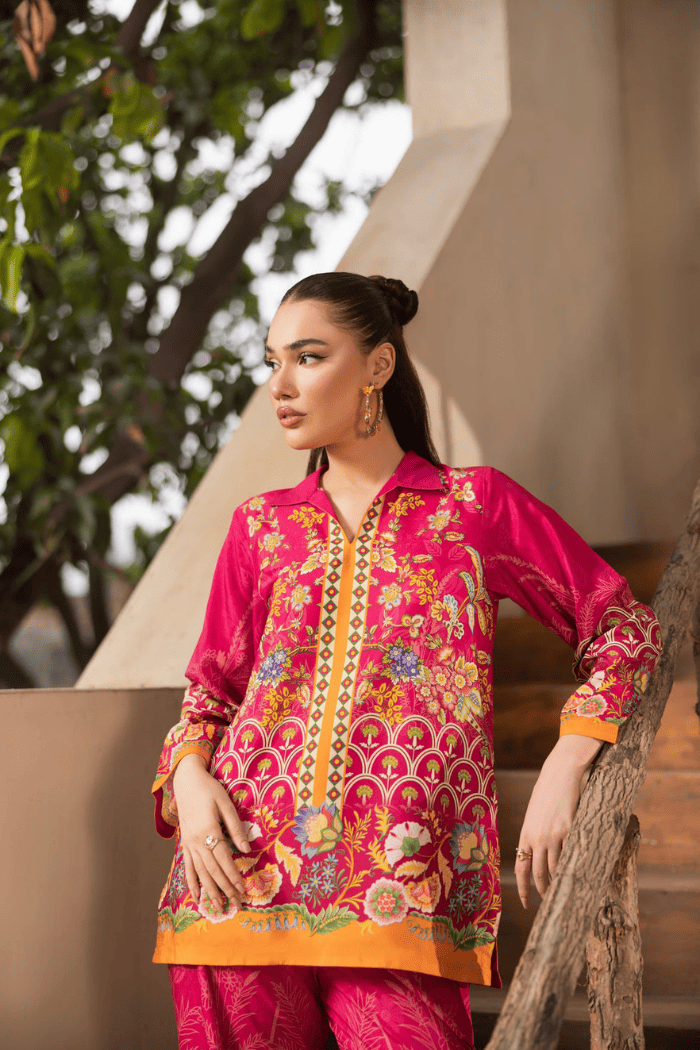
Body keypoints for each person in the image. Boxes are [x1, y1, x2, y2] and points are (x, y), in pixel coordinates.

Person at [151, 272, 662, 1050]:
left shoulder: (472, 506)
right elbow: (210, 695)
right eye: (272, 361)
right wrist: (189, 781)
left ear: (379, 367)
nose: (280, 385)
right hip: (235, 881)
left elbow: (623, 626)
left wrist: (568, 758)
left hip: (401, 886)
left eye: (308, 357)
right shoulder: (260, 527)